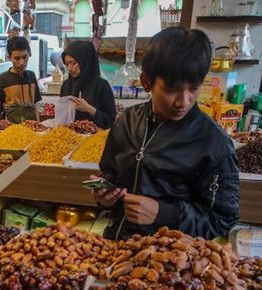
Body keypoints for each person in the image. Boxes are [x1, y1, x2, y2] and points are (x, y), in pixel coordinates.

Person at [92, 27, 240, 240]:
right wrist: (104, 194)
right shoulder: (126, 121)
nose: (184, 101)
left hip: (170, 263)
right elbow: (110, 173)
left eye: (194, 88)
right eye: (172, 89)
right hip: (118, 248)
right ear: (146, 82)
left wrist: (163, 213)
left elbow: (222, 218)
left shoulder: (213, 143)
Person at [60, 40, 116, 129]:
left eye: (73, 63)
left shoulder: (101, 86)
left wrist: (89, 109)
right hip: (70, 139)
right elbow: (62, 118)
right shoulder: (66, 86)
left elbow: (111, 121)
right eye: (67, 64)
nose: (69, 68)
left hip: (95, 140)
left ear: (84, 61)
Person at [0, 36, 42, 123]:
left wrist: (39, 125)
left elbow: (35, 107)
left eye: (24, 57)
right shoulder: (2, 80)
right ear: (9, 57)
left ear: (29, 54)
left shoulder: (32, 76)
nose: (21, 62)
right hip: (12, 132)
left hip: (32, 131)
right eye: (17, 58)